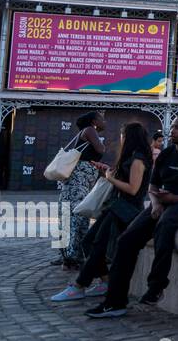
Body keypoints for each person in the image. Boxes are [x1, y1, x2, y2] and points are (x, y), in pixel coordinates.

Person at [85, 113, 178, 318]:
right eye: (172, 127)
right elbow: (153, 184)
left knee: (165, 226)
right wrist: (155, 202)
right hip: (163, 203)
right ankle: (115, 302)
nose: (172, 131)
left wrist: (175, 199)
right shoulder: (166, 154)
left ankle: (156, 287)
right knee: (126, 240)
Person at [50, 123, 152, 303]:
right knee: (89, 242)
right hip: (116, 207)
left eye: (123, 135)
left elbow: (133, 189)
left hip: (125, 210)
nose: (121, 139)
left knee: (96, 244)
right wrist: (106, 170)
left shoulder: (138, 159)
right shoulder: (131, 157)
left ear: (130, 137)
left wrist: (110, 178)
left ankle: (79, 285)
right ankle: (106, 281)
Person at [54, 111, 107, 269]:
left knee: (74, 217)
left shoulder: (87, 132)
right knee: (77, 217)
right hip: (79, 182)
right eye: (102, 119)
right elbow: (101, 149)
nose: (105, 122)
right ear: (94, 121)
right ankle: (71, 257)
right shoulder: (90, 131)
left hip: (80, 182)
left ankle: (70, 256)